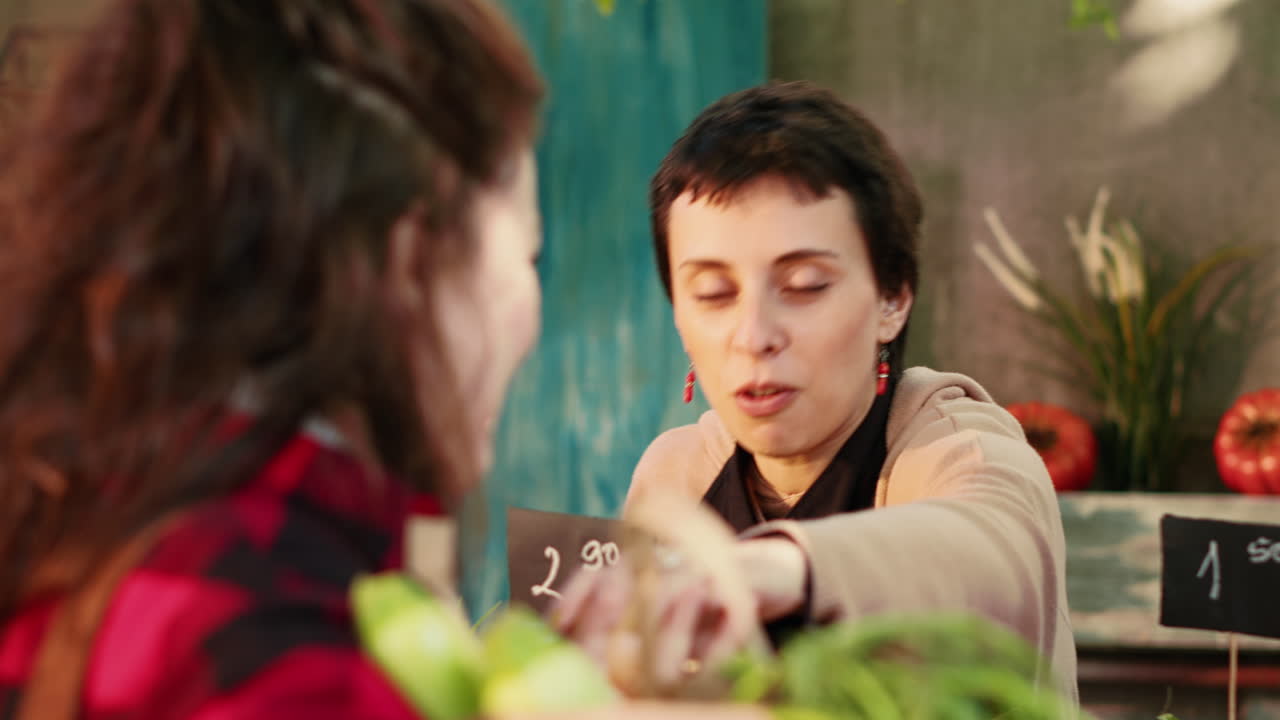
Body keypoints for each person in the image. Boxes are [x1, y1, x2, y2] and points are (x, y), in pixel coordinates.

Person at [0, 1, 770, 719]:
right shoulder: (270, 648)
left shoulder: (104, 512)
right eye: (528, 256)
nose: (757, 333)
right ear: (412, 263)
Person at [557, 81, 1079, 705]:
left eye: (804, 285)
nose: (753, 336)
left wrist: (782, 569)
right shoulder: (673, 478)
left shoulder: (961, 449)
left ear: (893, 297)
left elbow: (996, 549)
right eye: (713, 294)